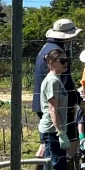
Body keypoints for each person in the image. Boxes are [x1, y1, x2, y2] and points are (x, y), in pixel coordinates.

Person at [33, 19, 82, 155]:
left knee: (47, 144)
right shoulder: (59, 53)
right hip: (58, 104)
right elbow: (66, 83)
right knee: (68, 143)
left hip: (43, 101)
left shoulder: (45, 48)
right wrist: (78, 101)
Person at [37, 49, 71, 170]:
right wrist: (60, 132)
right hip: (52, 130)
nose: (65, 64)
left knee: (53, 167)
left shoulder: (57, 79)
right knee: (56, 168)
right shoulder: (52, 81)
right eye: (61, 61)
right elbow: (52, 109)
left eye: (66, 60)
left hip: (53, 130)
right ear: (51, 63)